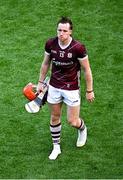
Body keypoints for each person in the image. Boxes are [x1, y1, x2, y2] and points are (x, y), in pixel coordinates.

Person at [37, 16, 95, 160]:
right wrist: (40, 82)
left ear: (70, 32)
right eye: (59, 30)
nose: (61, 33)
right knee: (54, 117)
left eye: (64, 30)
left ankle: (82, 129)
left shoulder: (78, 48)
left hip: (72, 88)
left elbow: (87, 70)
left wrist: (89, 90)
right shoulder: (50, 44)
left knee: (72, 121)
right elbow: (45, 64)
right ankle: (56, 147)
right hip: (54, 86)